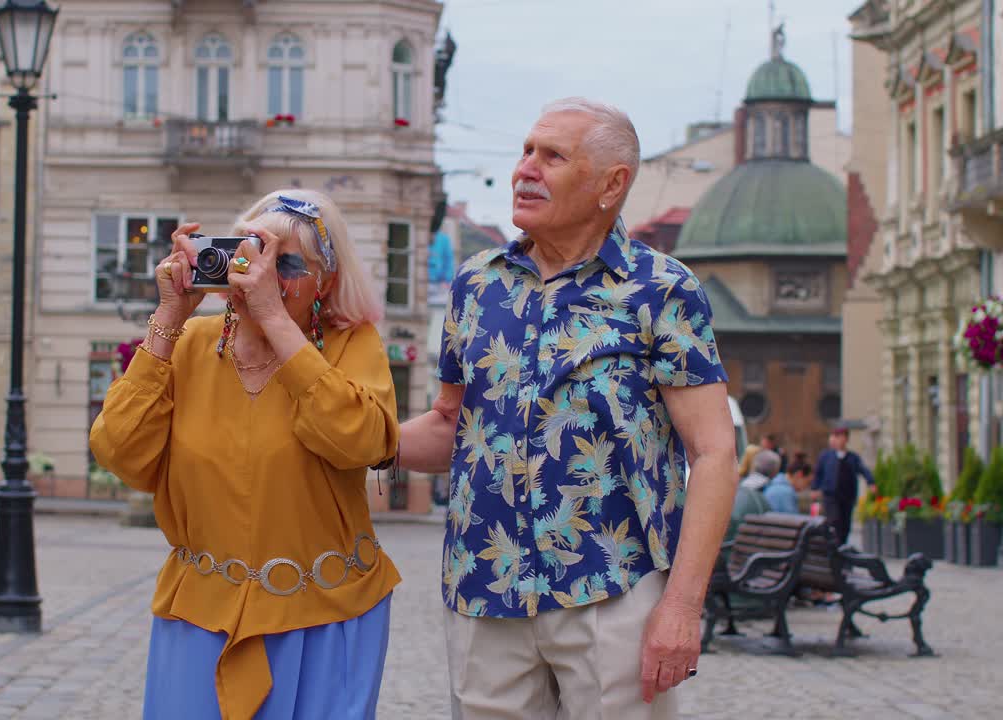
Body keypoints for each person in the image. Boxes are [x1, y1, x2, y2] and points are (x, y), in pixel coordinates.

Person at [396, 97, 739, 719]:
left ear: (612, 185)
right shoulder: (477, 284)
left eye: (552, 156)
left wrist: (681, 608)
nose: (526, 169)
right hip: (485, 587)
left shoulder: (660, 289)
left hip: (612, 586)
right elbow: (451, 424)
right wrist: (350, 437)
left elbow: (714, 453)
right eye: (526, 151)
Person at [89, 189, 401, 720]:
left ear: (326, 281)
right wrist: (169, 317)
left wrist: (277, 323)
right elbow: (118, 451)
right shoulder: (191, 344)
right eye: (252, 254)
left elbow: (362, 441)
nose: (262, 274)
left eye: (289, 264)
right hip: (201, 615)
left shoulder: (350, 343)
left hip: (324, 613)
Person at [812, 427, 874, 546]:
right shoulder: (826, 456)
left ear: (845, 439)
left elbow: (863, 469)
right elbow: (818, 473)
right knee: (834, 520)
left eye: (839, 437)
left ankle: (842, 546)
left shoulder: (852, 457)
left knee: (845, 523)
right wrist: (815, 488)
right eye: (835, 437)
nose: (836, 440)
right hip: (830, 495)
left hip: (847, 496)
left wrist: (871, 482)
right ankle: (834, 545)